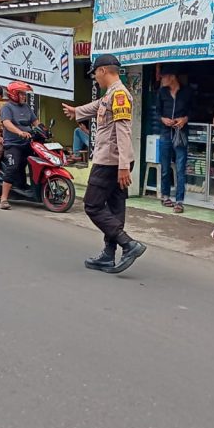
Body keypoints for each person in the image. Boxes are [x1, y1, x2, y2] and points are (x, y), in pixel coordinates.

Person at [63, 54, 146, 274]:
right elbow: (97, 106)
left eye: (95, 74)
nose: (94, 79)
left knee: (92, 205)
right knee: (115, 206)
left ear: (103, 71)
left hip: (111, 162)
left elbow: (123, 130)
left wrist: (122, 166)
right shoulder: (111, 94)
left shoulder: (119, 95)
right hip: (117, 161)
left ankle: (128, 244)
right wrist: (77, 111)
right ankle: (109, 255)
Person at [0, 80, 43, 210]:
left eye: (24, 94)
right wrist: (20, 132)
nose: (24, 96)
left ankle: (29, 189)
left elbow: (35, 122)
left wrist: (43, 130)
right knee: (13, 167)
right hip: (13, 144)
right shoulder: (7, 108)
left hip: (28, 143)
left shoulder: (27, 107)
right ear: (13, 94)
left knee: (37, 162)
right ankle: (4, 199)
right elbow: (6, 123)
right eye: (21, 94)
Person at [157, 65, 194, 214]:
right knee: (165, 167)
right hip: (165, 132)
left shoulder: (187, 92)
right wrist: (163, 119)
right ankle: (165, 196)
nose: (162, 80)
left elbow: (193, 110)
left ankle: (179, 201)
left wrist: (185, 119)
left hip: (180, 133)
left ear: (172, 77)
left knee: (180, 168)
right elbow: (158, 111)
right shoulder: (161, 92)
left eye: (164, 77)